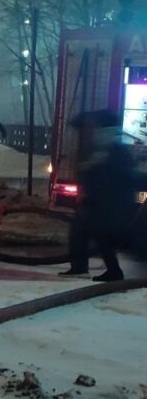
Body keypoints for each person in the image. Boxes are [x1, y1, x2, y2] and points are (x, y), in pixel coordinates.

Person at [61, 110, 138, 281]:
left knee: (101, 233)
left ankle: (113, 270)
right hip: (98, 199)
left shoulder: (112, 150)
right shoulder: (103, 148)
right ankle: (80, 266)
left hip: (108, 201)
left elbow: (116, 176)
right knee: (80, 231)